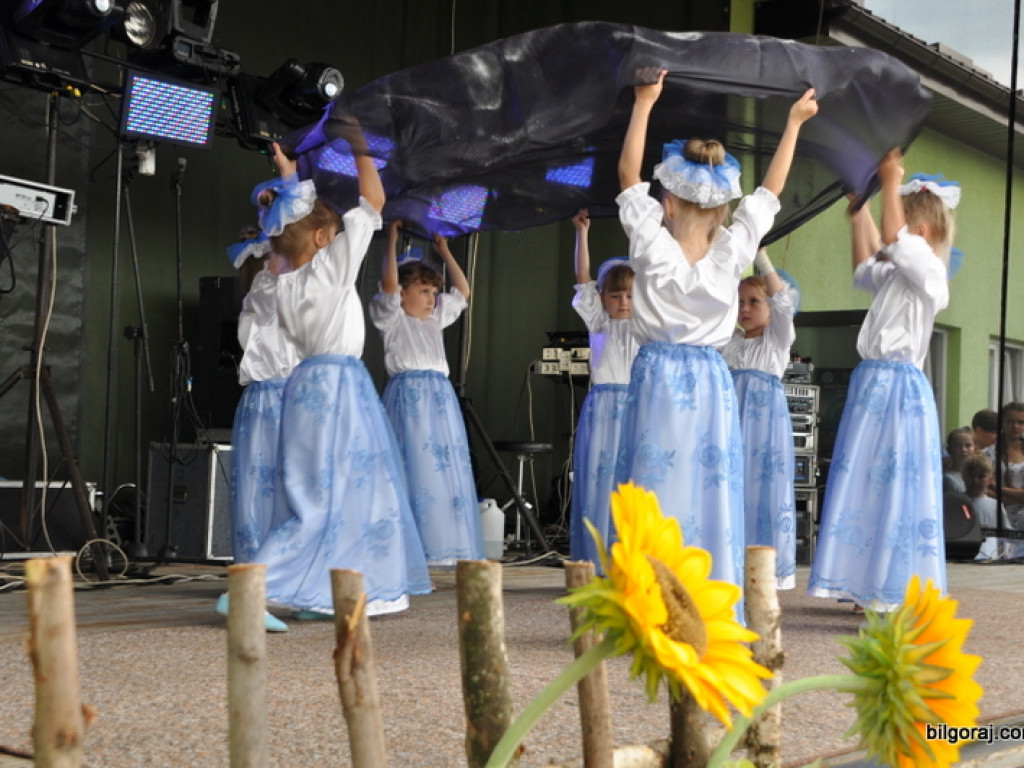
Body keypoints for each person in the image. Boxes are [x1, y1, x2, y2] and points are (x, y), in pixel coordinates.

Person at [614, 66, 817, 592]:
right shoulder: (733, 248)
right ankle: (707, 591)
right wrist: (794, 123)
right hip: (709, 379)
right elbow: (770, 191)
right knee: (709, 487)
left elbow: (628, 175)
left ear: (667, 202)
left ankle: (649, 593)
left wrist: (644, 102)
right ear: (724, 208)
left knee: (655, 485)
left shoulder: (651, 242)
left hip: (658, 376)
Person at [250, 129, 431, 618]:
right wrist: (361, 149)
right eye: (332, 234)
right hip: (337, 386)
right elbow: (373, 201)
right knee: (342, 489)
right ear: (322, 239)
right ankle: (254, 589)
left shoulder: (279, 282)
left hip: (305, 386)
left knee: (316, 491)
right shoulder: (329, 268)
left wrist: (290, 182)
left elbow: (288, 230)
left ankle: (314, 588)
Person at [809, 152, 956, 612]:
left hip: (896, 388)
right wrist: (862, 213)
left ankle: (892, 587)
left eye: (904, 224)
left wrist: (891, 181)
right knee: (865, 479)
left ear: (922, 233)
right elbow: (865, 266)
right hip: (873, 383)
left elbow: (892, 240)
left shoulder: (929, 273)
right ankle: (865, 582)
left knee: (891, 483)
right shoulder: (899, 275)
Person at [368, 221, 484, 565]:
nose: (432, 299)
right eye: (423, 291)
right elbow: (390, 285)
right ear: (403, 294)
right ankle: (411, 545)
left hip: (439, 397)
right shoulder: (392, 318)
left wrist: (445, 252)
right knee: (414, 465)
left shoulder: (435, 319)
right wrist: (390, 240)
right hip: (409, 397)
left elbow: (462, 291)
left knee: (441, 466)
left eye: (434, 292)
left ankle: (442, 543)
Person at [216, 227, 295, 632]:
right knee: (263, 496)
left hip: (290, 399)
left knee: (293, 495)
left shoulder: (276, 291)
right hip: (271, 401)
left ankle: (297, 587)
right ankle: (250, 593)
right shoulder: (265, 290)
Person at [721, 248, 799, 590]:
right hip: (731, 424)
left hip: (765, 427)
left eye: (754, 302)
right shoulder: (729, 342)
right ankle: (731, 565)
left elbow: (783, 305)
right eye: (740, 302)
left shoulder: (777, 341)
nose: (745, 309)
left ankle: (766, 570)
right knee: (732, 488)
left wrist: (762, 259)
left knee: (763, 490)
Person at [568, 209, 638, 569]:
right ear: (603, 298)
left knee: (631, 479)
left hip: (635, 407)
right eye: (615, 296)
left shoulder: (646, 326)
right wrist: (582, 234)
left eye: (629, 296)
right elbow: (582, 279)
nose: (623, 302)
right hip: (603, 408)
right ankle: (596, 556)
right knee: (600, 475)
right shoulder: (598, 322)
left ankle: (628, 553)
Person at [961, 452, 1018, 560]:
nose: (975, 480)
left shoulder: (995, 505)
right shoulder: (958, 502)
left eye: (981, 476)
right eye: (971, 475)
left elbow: (1008, 534)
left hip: (990, 557)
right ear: (963, 476)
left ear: (990, 479)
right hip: (963, 557)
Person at [982, 403, 1024, 538]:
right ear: (1002, 423)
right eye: (1010, 421)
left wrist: (998, 489)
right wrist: (1013, 498)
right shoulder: (988, 454)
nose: (1015, 426)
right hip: (996, 516)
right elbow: (983, 488)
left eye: (1020, 422)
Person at [942, 426, 975, 494]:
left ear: (975, 448)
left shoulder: (979, 475)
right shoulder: (948, 479)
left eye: (968, 445)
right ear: (949, 450)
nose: (963, 450)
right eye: (957, 445)